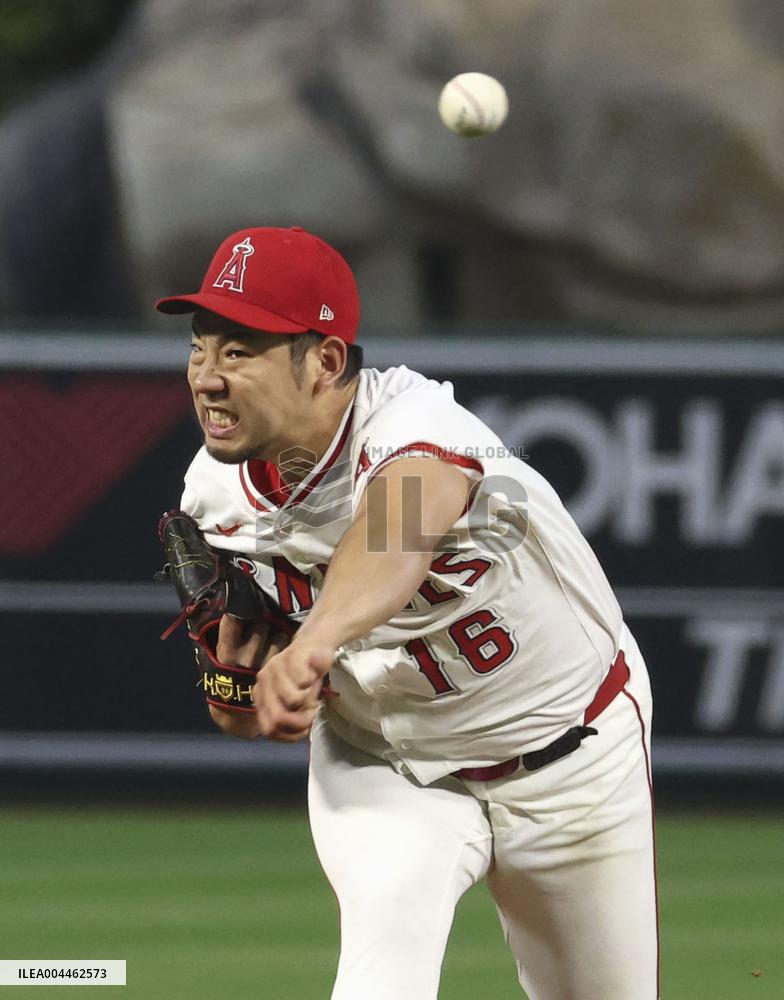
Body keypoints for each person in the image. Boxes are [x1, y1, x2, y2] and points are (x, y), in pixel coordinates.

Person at [157, 225, 659, 1000]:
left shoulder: (418, 428)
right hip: (387, 766)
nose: (208, 377)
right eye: (201, 347)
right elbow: (242, 713)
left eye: (240, 351)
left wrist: (314, 641)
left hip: (571, 757)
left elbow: (391, 541)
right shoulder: (214, 498)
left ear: (324, 361)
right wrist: (239, 686)